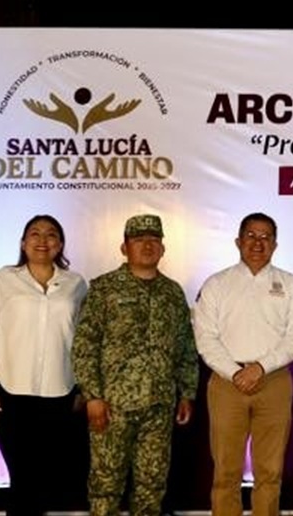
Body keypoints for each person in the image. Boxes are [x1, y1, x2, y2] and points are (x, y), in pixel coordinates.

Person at [74, 213, 198, 516]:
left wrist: (187, 392)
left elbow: (185, 346)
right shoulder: (104, 289)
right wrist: (93, 396)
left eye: (154, 240)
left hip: (159, 407)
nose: (147, 245)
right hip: (112, 407)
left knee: (151, 488)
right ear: (124, 247)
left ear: (163, 248)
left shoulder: (173, 293)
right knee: (106, 487)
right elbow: (85, 345)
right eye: (139, 239)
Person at [0, 213, 89, 516]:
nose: (42, 240)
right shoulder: (4, 280)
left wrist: (83, 389)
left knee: (45, 477)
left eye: (51, 234)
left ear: (60, 244)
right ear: (23, 243)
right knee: (22, 475)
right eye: (35, 234)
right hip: (10, 392)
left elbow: (84, 341)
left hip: (59, 393)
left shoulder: (76, 284)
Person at [193, 212, 293, 516]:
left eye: (265, 237)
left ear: (275, 244)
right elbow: (205, 338)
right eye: (251, 236)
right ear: (238, 241)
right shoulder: (217, 284)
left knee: (270, 472)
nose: (258, 243)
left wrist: (260, 367)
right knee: (225, 472)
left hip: (274, 381)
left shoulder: (290, 284)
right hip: (226, 383)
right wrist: (236, 372)